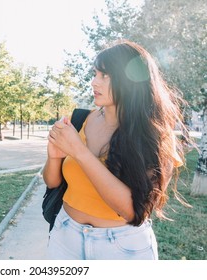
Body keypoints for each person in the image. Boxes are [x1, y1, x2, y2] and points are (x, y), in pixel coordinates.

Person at [43, 39, 189, 260]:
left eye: (105, 76)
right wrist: (54, 157)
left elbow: (133, 211)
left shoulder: (157, 136)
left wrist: (80, 152)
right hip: (65, 237)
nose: (94, 82)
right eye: (95, 74)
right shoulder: (82, 119)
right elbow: (52, 182)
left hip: (122, 248)